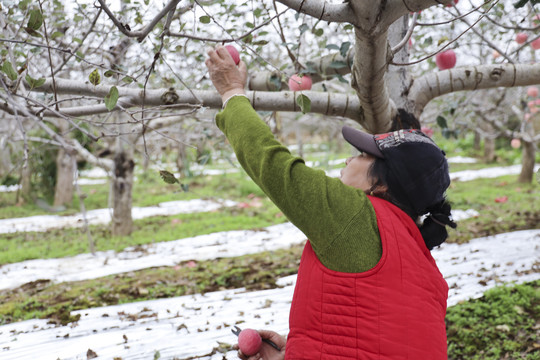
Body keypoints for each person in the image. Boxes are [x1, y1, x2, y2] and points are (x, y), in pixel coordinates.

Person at [205, 46, 456, 360]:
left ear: (381, 182)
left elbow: (273, 165)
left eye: (364, 155)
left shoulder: (355, 216)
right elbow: (373, 338)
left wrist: (231, 92)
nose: (351, 157)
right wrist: (297, 350)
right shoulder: (425, 267)